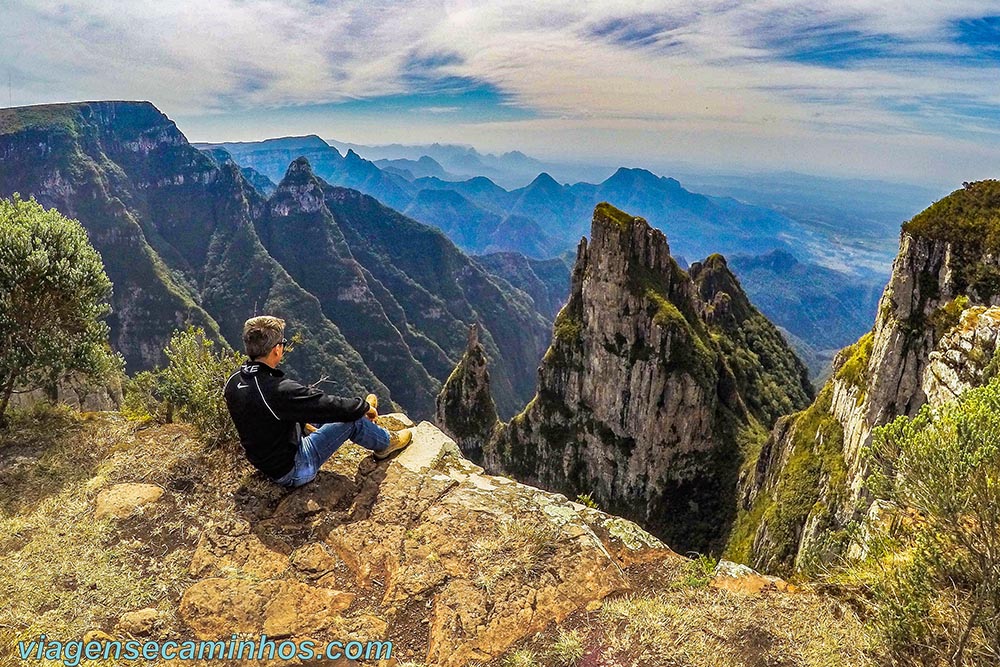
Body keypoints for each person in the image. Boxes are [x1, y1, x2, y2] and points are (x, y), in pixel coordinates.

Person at [224, 315, 412, 487]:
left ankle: (362, 419)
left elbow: (264, 417)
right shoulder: (277, 390)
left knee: (310, 410)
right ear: (276, 350)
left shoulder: (233, 381)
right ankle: (386, 443)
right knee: (350, 419)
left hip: (265, 460)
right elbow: (327, 405)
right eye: (282, 343)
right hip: (294, 469)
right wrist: (362, 407)